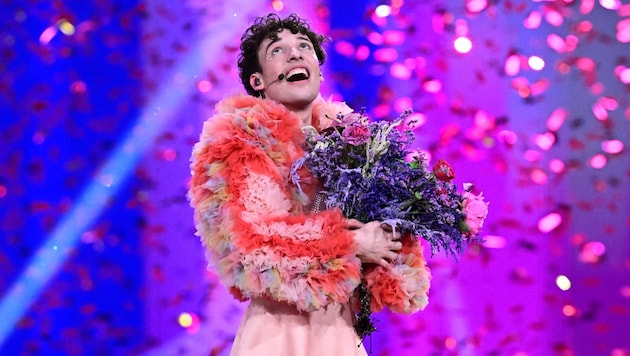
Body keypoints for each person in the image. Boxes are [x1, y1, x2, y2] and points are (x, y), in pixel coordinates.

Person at [188, 13, 430, 356]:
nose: (295, 54)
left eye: (304, 47)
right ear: (258, 81)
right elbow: (251, 246)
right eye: (277, 50)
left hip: (341, 331)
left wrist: (394, 232)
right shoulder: (241, 143)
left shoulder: (352, 144)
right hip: (280, 335)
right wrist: (349, 243)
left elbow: (387, 252)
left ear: (318, 69)